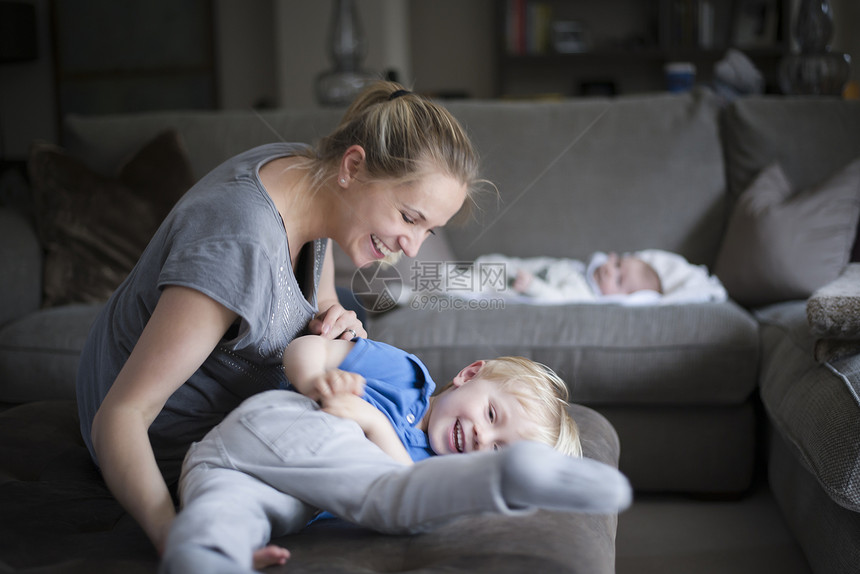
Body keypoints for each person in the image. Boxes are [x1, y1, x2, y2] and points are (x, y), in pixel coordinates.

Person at [75, 81, 484, 556]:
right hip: (162, 441)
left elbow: (322, 239)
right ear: (353, 166)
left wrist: (330, 304)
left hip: (242, 395)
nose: (414, 247)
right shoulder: (238, 251)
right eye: (409, 218)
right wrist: (177, 540)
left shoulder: (310, 172)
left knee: (359, 318)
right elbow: (119, 419)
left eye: (428, 229)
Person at [159, 334, 631, 573]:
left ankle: (206, 557)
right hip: (283, 420)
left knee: (219, 516)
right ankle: (509, 479)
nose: (482, 438)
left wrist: (372, 423)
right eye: (491, 413)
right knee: (397, 496)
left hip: (235, 470)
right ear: (469, 374)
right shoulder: (406, 374)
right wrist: (316, 380)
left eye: (497, 450)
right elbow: (307, 348)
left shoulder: (430, 468)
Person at [461, 249, 727, 304]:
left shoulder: (584, 295)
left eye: (620, 281)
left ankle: (420, 293)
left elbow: (558, 299)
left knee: (458, 284)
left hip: (510, 286)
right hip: (509, 265)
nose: (611, 270)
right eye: (619, 263)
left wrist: (533, 287)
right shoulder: (585, 269)